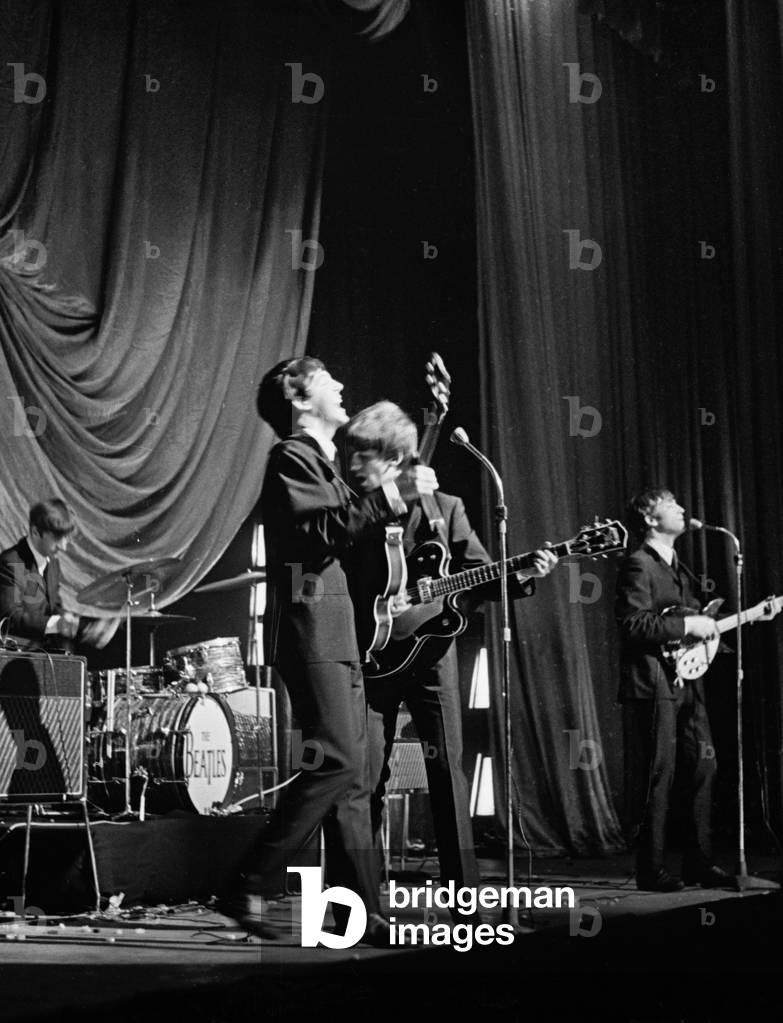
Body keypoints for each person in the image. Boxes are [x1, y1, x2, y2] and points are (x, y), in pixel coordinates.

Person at [222, 358, 436, 945]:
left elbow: (361, 529)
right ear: (296, 395)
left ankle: (356, 913)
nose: (343, 385)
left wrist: (418, 452)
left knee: (354, 777)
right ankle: (249, 880)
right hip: (311, 631)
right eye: (327, 380)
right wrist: (391, 494)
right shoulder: (291, 458)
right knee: (340, 761)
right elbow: (320, 534)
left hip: (340, 634)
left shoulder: (325, 467)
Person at [346, 401, 557, 913]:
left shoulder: (448, 507)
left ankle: (467, 901)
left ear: (393, 458)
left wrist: (525, 573)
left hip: (432, 654)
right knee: (368, 778)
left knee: (448, 774)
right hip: (371, 653)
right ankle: (361, 906)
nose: (351, 465)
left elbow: (482, 573)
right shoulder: (359, 506)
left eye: (362, 456)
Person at [615, 487, 733, 892]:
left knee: (704, 766)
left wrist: (723, 626)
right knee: (659, 776)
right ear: (650, 519)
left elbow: (695, 630)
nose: (683, 509)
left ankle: (698, 863)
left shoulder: (680, 569)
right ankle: (651, 870)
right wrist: (689, 626)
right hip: (652, 684)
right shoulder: (637, 564)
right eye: (672, 505)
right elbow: (633, 623)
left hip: (686, 683)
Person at [0, 499, 80, 647]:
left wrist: (68, 618)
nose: (63, 547)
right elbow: (11, 618)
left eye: (66, 538)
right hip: (15, 655)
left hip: (43, 653)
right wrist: (57, 624)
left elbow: (51, 604)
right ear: (36, 532)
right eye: (57, 538)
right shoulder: (11, 562)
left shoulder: (53, 562)